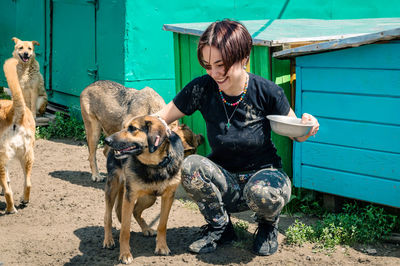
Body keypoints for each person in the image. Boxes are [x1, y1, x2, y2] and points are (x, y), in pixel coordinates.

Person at [157, 19, 319, 255]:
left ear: (244, 57)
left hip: (264, 179)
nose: (214, 73)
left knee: (262, 192)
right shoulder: (202, 88)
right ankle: (221, 228)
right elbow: (161, 118)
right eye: (207, 65)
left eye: (221, 64)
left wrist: (308, 126)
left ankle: (267, 227)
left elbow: (297, 133)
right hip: (226, 182)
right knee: (191, 166)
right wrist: (133, 131)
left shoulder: (267, 91)